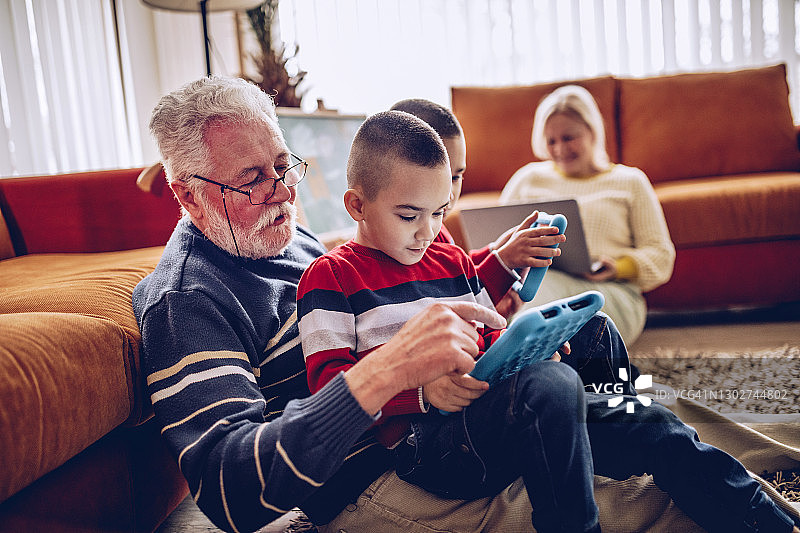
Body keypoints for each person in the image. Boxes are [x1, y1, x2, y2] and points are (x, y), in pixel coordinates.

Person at [297, 110, 800, 533]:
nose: (428, 232)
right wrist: (421, 393)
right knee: (551, 383)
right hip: (427, 450)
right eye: (410, 216)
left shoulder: (448, 261)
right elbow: (327, 395)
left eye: (439, 212)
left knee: (636, 400)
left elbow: (491, 331)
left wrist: (526, 348)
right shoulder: (331, 277)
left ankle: (768, 522)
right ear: (356, 205)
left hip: (494, 422)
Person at [500, 84, 676, 345]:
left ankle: (519, 359)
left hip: (609, 291)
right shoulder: (527, 178)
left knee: (542, 310)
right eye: (551, 141)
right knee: (536, 295)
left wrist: (618, 267)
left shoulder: (630, 181)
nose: (560, 148)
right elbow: (497, 242)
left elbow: (661, 257)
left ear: (592, 132)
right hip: (536, 285)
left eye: (569, 137)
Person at [390, 97, 551, 318]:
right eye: (438, 178)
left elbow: (458, 271)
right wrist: (503, 262)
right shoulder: (408, 239)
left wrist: (495, 249)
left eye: (456, 177)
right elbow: (454, 294)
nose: (448, 194)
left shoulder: (438, 231)